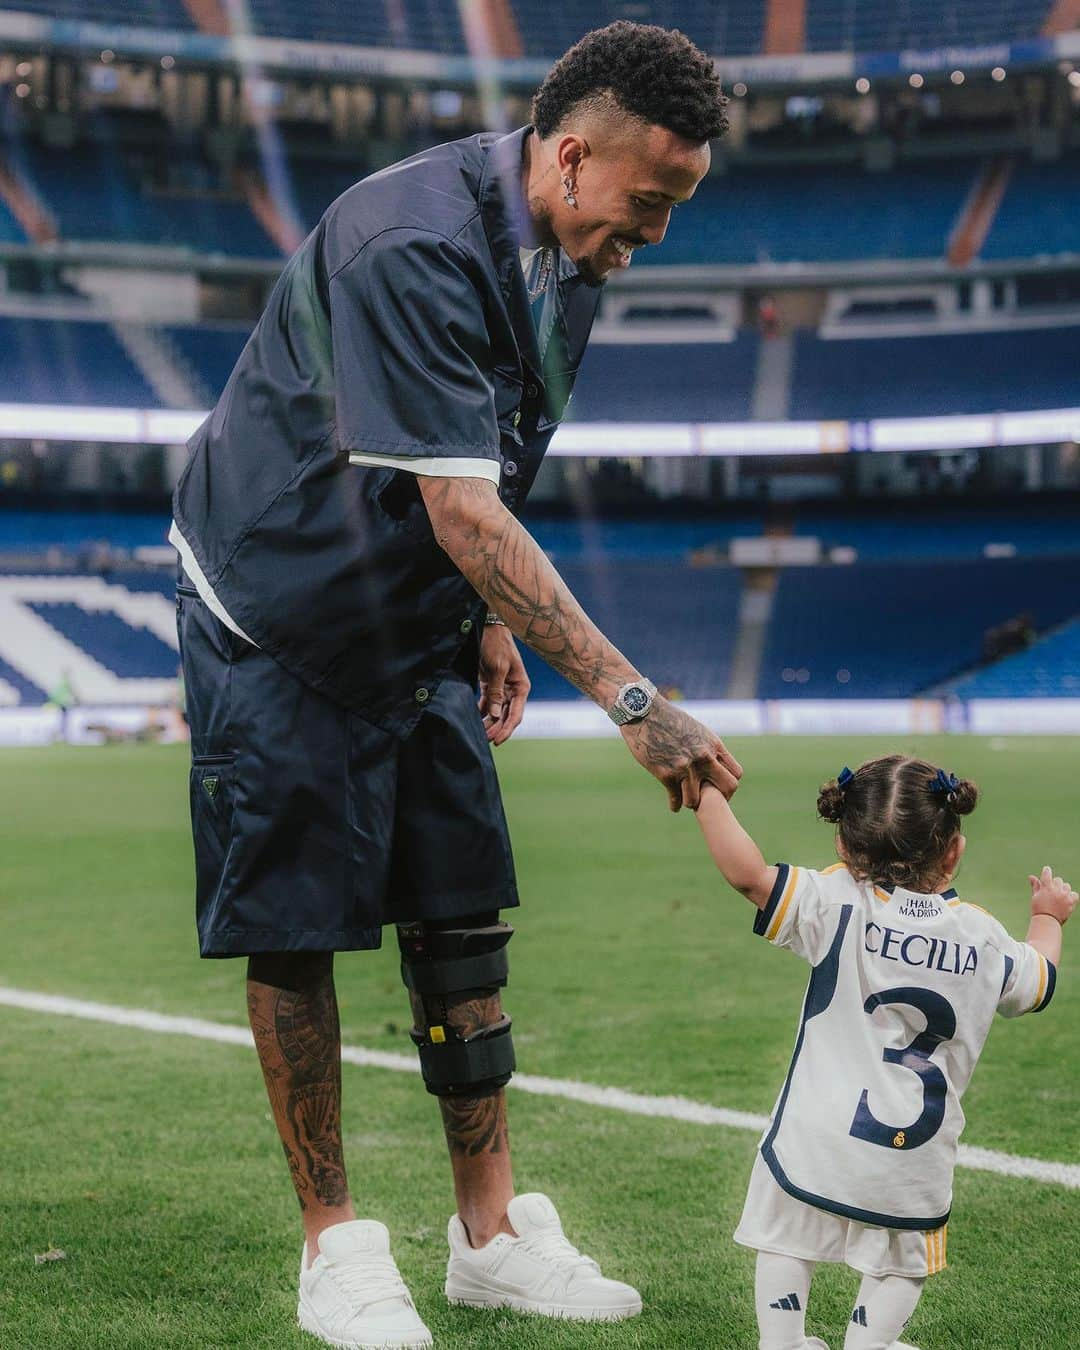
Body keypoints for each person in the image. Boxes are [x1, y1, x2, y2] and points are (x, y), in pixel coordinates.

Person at [170, 22, 741, 1350]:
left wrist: (485, 613)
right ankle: (337, 1249)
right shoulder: (411, 238)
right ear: (571, 154)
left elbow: (495, 471)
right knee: (299, 925)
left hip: (414, 603)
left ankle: (489, 1237)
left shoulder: (573, 259)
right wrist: (633, 698)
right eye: (649, 203)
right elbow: (459, 502)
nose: (651, 235)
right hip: (278, 603)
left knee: (458, 912)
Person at [692, 755, 1074, 1350]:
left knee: (787, 1236)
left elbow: (749, 876)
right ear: (952, 852)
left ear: (844, 845)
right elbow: (1038, 983)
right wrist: (1048, 916)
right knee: (900, 1261)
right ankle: (869, 1344)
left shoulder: (838, 902)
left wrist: (706, 795)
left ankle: (783, 1340)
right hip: (911, 1156)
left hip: (814, 1137)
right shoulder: (982, 935)